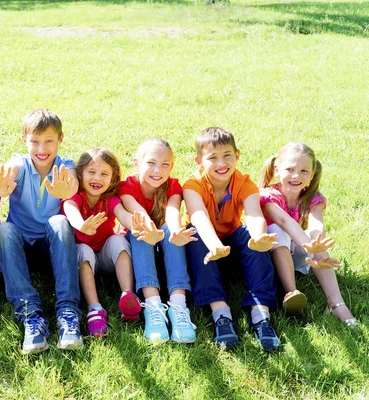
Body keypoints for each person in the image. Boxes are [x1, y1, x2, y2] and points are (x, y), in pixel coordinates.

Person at [0, 108, 81, 354]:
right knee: (4, 229)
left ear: (60, 139)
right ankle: (31, 315)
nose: (42, 148)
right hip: (21, 250)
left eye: (49, 141)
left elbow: (72, 183)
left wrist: (67, 189)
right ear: (24, 140)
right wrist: (3, 185)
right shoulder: (20, 163)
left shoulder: (65, 165)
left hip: (53, 248)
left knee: (60, 221)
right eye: (35, 141)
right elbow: (10, 172)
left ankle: (68, 312)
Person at [183, 127, 281, 352]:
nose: (221, 163)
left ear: (237, 155)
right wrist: (214, 244)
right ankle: (221, 313)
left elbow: (254, 214)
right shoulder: (192, 185)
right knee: (194, 235)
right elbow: (198, 216)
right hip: (207, 245)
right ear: (199, 161)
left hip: (230, 239)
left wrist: (258, 237)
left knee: (250, 236)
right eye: (212, 158)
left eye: (227, 155)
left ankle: (261, 314)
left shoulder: (245, 183)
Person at [258, 142, 357, 327]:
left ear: (312, 175)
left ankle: (336, 303)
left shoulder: (312, 197)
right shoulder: (268, 196)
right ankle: (292, 293)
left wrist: (316, 244)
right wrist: (307, 244)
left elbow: (316, 223)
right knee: (279, 232)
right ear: (277, 169)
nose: (297, 176)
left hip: (297, 252)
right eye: (290, 169)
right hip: (271, 256)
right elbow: (284, 221)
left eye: (304, 171)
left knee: (317, 243)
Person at [119, 138, 197, 344]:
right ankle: (152, 305)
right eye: (151, 163)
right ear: (136, 164)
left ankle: (178, 305)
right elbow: (139, 212)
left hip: (164, 243)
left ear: (171, 166)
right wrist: (150, 231)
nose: (158, 170)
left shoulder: (173, 186)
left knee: (171, 228)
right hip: (139, 244)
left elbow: (172, 212)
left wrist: (175, 230)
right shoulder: (127, 186)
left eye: (165, 165)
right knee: (140, 230)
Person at [62, 148, 140, 337]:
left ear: (112, 179)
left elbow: (123, 215)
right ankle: (95, 308)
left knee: (118, 241)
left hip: (105, 257)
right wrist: (82, 226)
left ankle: (128, 296)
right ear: (80, 174)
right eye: (92, 172)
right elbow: (69, 209)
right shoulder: (75, 196)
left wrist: (137, 225)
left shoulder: (110, 201)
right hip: (83, 260)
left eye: (104, 174)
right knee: (83, 249)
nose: (97, 178)